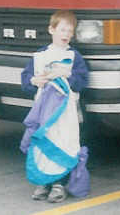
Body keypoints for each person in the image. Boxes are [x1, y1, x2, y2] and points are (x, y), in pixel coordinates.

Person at [20, 10, 90, 202]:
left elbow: (82, 81)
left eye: (70, 31)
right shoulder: (40, 55)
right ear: (51, 30)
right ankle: (43, 181)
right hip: (43, 112)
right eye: (62, 29)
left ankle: (60, 184)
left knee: (64, 144)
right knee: (43, 144)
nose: (66, 34)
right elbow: (25, 79)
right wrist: (35, 80)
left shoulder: (74, 56)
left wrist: (67, 75)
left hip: (66, 112)